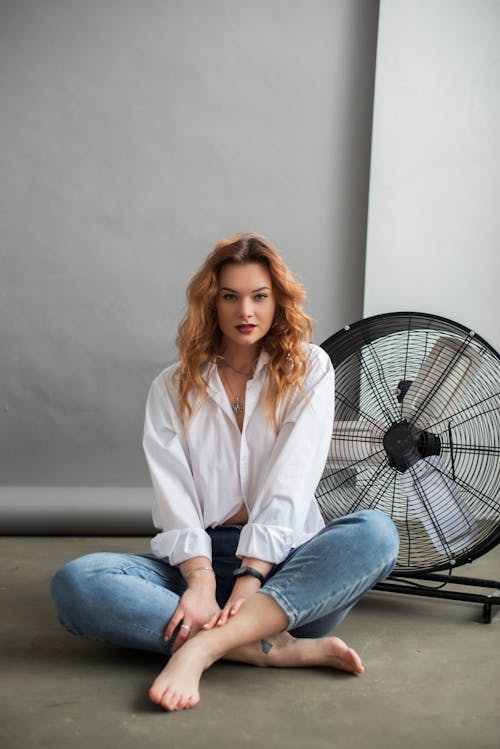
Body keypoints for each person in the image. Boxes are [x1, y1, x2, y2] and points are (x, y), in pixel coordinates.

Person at [51, 232, 399, 712]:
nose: (245, 312)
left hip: (289, 570)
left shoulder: (309, 369)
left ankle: (204, 646)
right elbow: (174, 496)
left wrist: (251, 578)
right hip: (201, 561)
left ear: (278, 301)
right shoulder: (172, 387)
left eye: (259, 296)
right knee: (78, 582)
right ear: (210, 305)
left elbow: (290, 482)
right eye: (230, 297)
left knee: (376, 533)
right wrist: (199, 582)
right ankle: (269, 649)